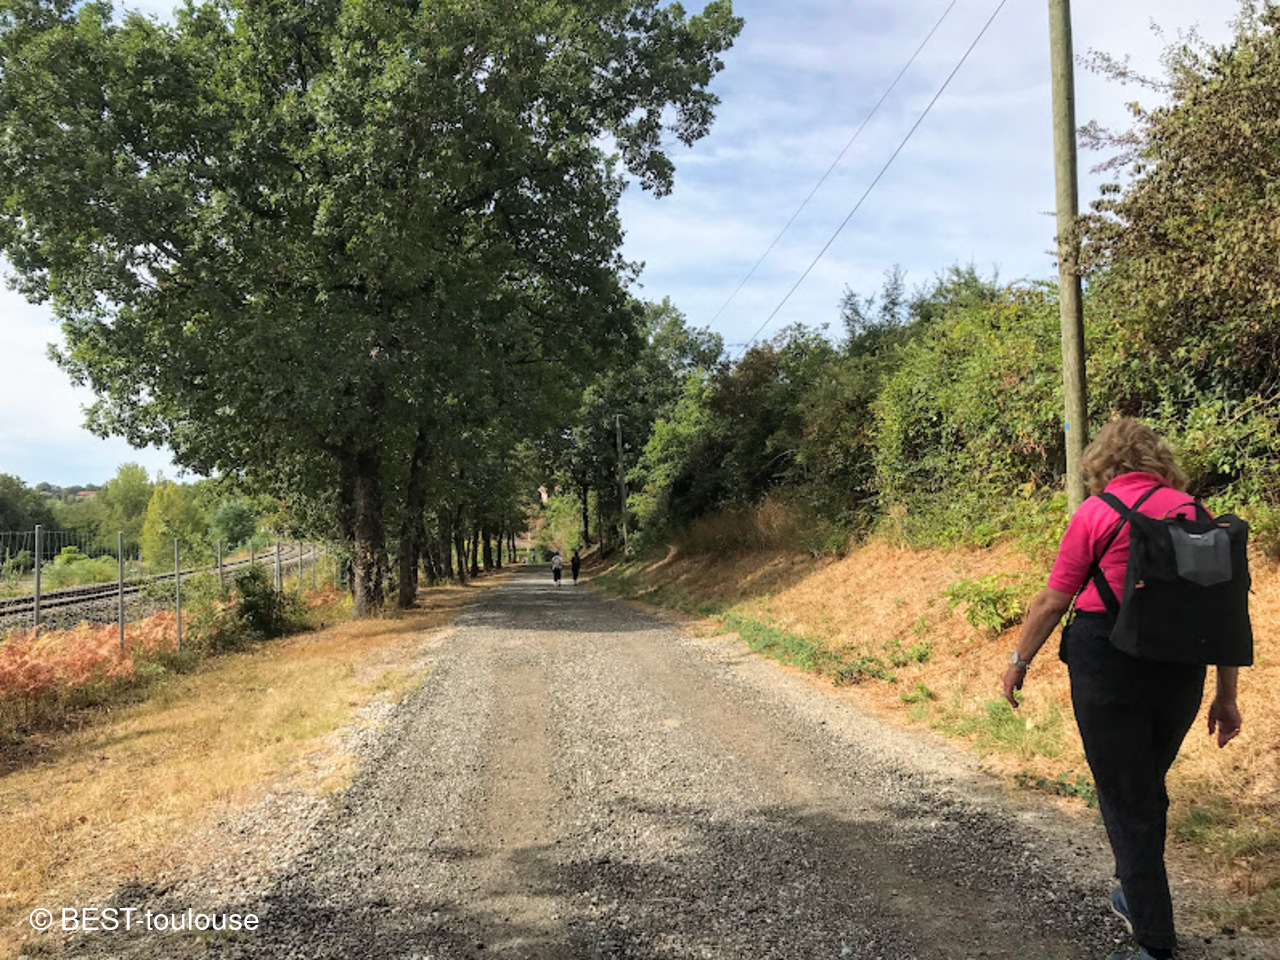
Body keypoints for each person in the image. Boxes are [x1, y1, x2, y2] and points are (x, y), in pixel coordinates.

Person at [1001, 418, 1242, 960]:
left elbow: (1052, 601)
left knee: (1127, 797)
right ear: (1160, 460)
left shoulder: (1097, 512)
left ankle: (1154, 944)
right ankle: (1137, 893)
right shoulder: (1195, 514)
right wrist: (1226, 695)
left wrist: (1018, 662)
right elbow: (1222, 614)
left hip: (1106, 660)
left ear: (1102, 465)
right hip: (1181, 667)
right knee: (1143, 787)